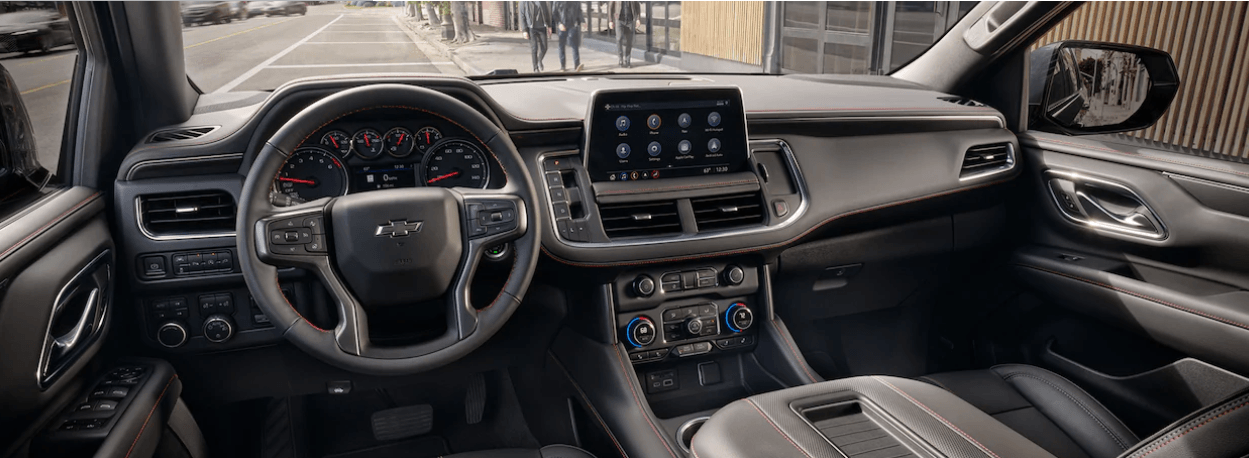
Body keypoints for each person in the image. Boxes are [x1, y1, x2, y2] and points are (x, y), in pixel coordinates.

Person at [519, 1, 552, 73]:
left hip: (542, 27)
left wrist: (549, 26)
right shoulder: (524, 2)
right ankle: (535, 68)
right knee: (534, 48)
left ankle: (539, 60)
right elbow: (522, 15)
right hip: (531, 28)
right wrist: (524, 30)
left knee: (544, 48)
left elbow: (546, 12)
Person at [553, 1, 584, 72]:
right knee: (561, 46)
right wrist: (559, 24)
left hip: (573, 25)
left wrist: (582, 21)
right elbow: (554, 14)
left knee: (574, 45)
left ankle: (577, 65)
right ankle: (562, 66)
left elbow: (579, 11)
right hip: (562, 26)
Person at [612, 1, 642, 68]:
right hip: (619, 20)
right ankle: (620, 58)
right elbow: (610, 7)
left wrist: (638, 19)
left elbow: (637, 6)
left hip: (630, 20)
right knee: (619, 39)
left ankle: (627, 60)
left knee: (629, 41)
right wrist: (610, 21)